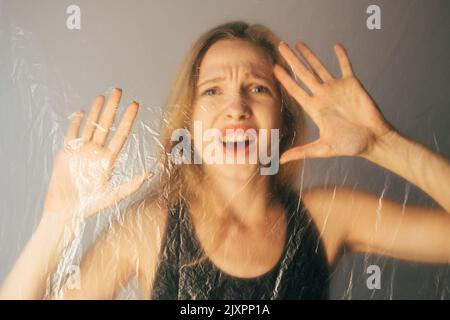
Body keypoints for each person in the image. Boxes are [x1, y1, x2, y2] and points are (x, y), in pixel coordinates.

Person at [1, 21, 449, 300]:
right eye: (212, 90)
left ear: (285, 121)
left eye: (258, 88)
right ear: (189, 123)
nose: (236, 107)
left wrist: (381, 143)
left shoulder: (330, 216)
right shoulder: (151, 230)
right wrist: (56, 221)